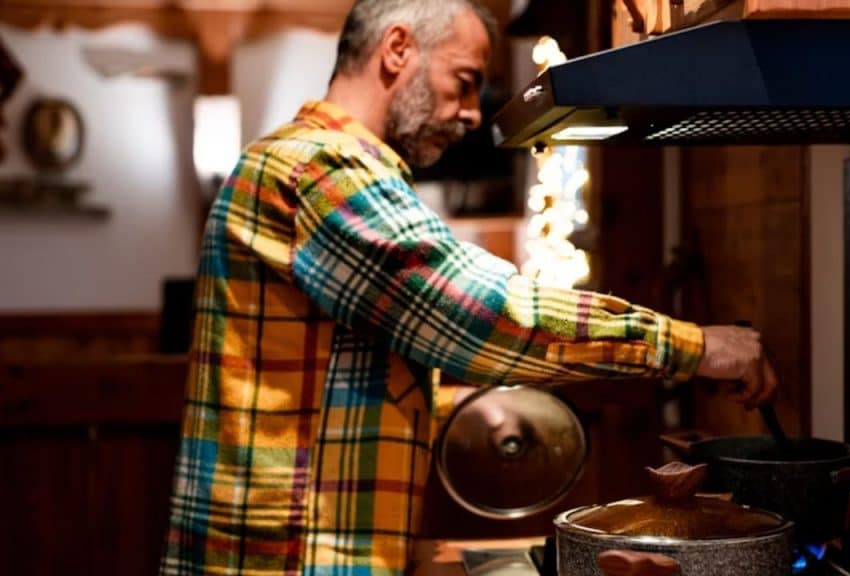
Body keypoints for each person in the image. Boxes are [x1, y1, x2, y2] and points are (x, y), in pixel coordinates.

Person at [159, 1, 778, 574]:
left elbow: (332, 373)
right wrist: (693, 344)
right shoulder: (319, 167)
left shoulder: (319, 164)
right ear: (397, 48)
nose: (475, 113)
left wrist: (463, 406)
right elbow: (485, 313)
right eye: (464, 80)